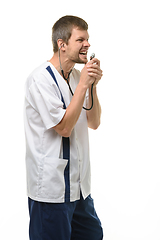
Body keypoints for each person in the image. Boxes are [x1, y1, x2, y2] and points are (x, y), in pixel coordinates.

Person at [24, 15, 103, 240]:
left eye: (88, 39)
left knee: (93, 235)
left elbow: (94, 122)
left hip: (79, 189)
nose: (87, 44)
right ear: (62, 44)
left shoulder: (78, 77)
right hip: (51, 191)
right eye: (80, 40)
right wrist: (84, 86)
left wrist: (92, 86)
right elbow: (64, 128)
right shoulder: (40, 80)